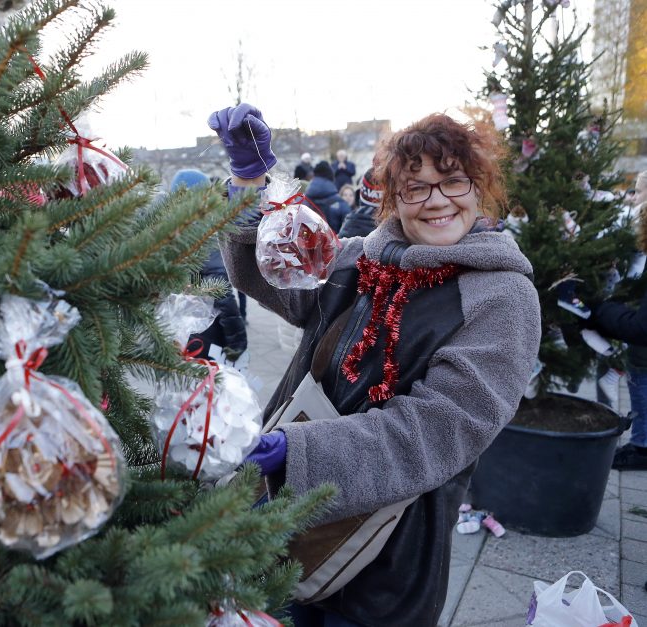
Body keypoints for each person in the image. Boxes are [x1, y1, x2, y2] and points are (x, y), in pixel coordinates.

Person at [207, 103, 541, 627]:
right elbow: (275, 278)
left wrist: (293, 451)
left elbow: (438, 430)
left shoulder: (500, 296)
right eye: (415, 187)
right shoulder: (365, 259)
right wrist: (253, 185)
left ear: (478, 189)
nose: (435, 202)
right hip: (286, 522)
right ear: (392, 198)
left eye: (452, 182)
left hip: (386, 556)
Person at [585, 170, 647, 470]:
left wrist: (600, 311)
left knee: (640, 376)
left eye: (639, 191)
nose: (635, 197)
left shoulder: (637, 229)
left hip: (637, 340)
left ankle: (642, 446)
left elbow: (640, 327)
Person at [169, 168, 248, 362]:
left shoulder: (167, 233)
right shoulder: (204, 234)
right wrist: (237, 340)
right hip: (206, 333)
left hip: (175, 334)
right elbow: (220, 292)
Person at [306, 160, 352, 232]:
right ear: (331, 178)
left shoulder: (302, 201)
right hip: (335, 242)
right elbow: (349, 232)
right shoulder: (341, 203)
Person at [338, 168, 382, 239]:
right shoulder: (397, 229)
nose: (348, 198)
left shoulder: (348, 225)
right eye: (345, 195)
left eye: (350, 195)